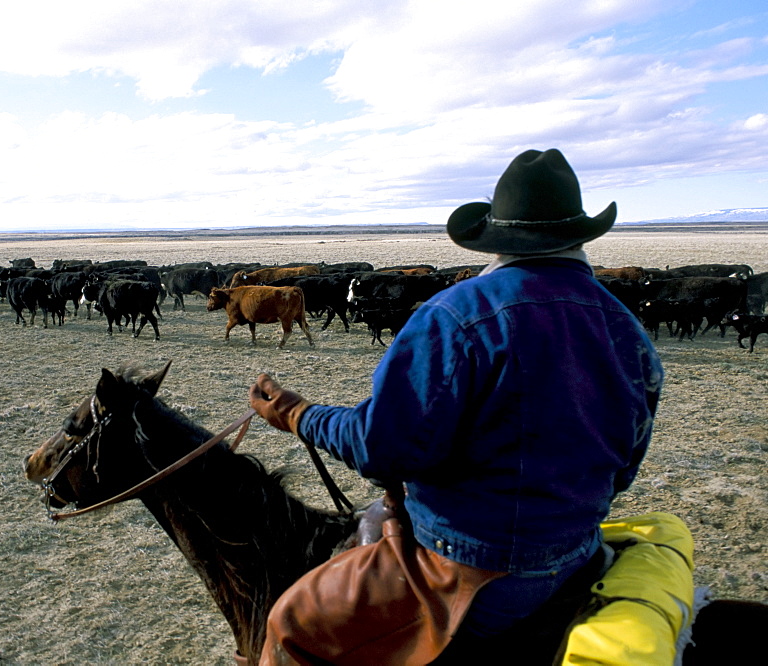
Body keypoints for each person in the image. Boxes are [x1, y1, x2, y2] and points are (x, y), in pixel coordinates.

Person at [249, 148, 664, 664]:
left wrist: (298, 414)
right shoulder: (625, 325)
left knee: (291, 624)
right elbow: (625, 465)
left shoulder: (458, 314)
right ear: (579, 236)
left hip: (472, 563)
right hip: (576, 552)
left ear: (497, 239)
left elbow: (385, 449)